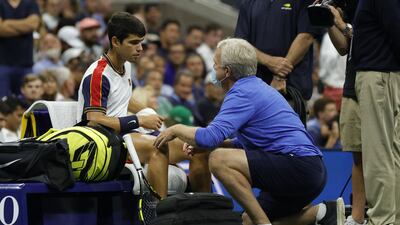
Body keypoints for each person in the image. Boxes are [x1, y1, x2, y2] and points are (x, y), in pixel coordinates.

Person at [154, 38, 344, 225]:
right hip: (311, 171)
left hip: (298, 166)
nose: (213, 69)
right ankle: (322, 212)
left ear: (227, 71)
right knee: (247, 220)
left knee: (219, 160)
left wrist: (176, 129)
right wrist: (212, 143)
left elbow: (209, 138)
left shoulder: (242, 92)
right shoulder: (258, 87)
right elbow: (244, 144)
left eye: (215, 65)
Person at [76, 12, 210, 198]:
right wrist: (138, 120)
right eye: (133, 42)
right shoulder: (98, 75)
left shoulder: (125, 64)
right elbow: (94, 120)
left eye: (141, 42)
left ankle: (205, 211)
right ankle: (160, 214)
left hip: (124, 136)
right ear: (115, 41)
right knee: (158, 147)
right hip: (102, 144)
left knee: (198, 145)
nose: (140, 48)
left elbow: (123, 98)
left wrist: (149, 113)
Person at [352, 0, 400, 224]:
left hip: (378, 76)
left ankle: (382, 219)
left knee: (378, 155)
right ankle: (392, 218)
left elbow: (395, 29)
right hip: (384, 75)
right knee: (390, 154)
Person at [327, 4, 366, 225]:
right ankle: (358, 216)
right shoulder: (350, 4)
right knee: (357, 154)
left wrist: (342, 24)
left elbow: (367, 39)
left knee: (385, 154)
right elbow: (345, 47)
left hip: (381, 81)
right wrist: (330, 22)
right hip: (353, 85)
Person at [234, 0, 321, 100]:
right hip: (254, 88)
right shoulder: (248, 2)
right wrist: (269, 61)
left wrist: (280, 75)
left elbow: (306, 37)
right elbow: (240, 43)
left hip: (290, 89)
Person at [0, 0, 40, 97]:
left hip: (26, 64)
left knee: (28, 103)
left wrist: (7, 23)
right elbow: (0, 30)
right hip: (3, 64)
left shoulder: (31, 3)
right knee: (2, 103)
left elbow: (33, 24)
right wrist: (25, 27)